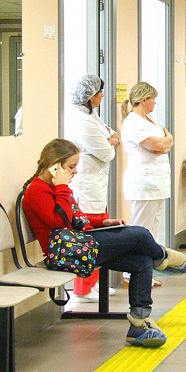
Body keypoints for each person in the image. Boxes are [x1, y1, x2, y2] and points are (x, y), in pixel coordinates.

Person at [23, 139, 186, 347]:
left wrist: (101, 222)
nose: (75, 171)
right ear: (54, 166)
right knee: (140, 234)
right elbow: (60, 222)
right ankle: (163, 259)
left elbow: (75, 218)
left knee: (141, 262)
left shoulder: (55, 188)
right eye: (71, 166)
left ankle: (138, 325)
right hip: (66, 253)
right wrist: (62, 187)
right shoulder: (38, 190)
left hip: (80, 245)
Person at [121, 83, 186, 278]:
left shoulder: (151, 119)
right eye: (152, 99)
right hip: (144, 183)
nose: (155, 103)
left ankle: (145, 273)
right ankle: (131, 273)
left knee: (152, 230)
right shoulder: (133, 122)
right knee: (140, 230)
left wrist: (165, 142)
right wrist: (164, 142)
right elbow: (158, 144)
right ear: (143, 100)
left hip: (157, 182)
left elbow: (166, 142)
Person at [65, 74, 122, 301]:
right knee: (86, 238)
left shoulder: (92, 117)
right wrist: (110, 143)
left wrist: (110, 141)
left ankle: (93, 284)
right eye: (99, 92)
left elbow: (114, 136)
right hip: (86, 188)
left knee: (98, 238)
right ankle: (83, 289)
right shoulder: (83, 121)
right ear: (89, 96)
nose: (102, 96)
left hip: (96, 187)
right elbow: (108, 153)